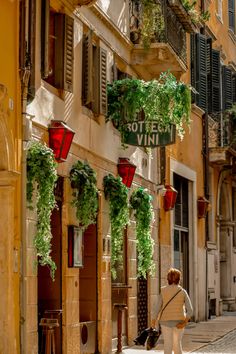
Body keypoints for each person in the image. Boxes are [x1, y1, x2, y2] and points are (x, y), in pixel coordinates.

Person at [151, 267, 193, 354]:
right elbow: (190, 310)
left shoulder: (163, 290)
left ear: (168, 278)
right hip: (179, 322)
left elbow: (157, 308)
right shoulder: (182, 291)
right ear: (179, 279)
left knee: (167, 345)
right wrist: (184, 322)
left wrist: (153, 321)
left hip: (165, 321)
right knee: (177, 344)